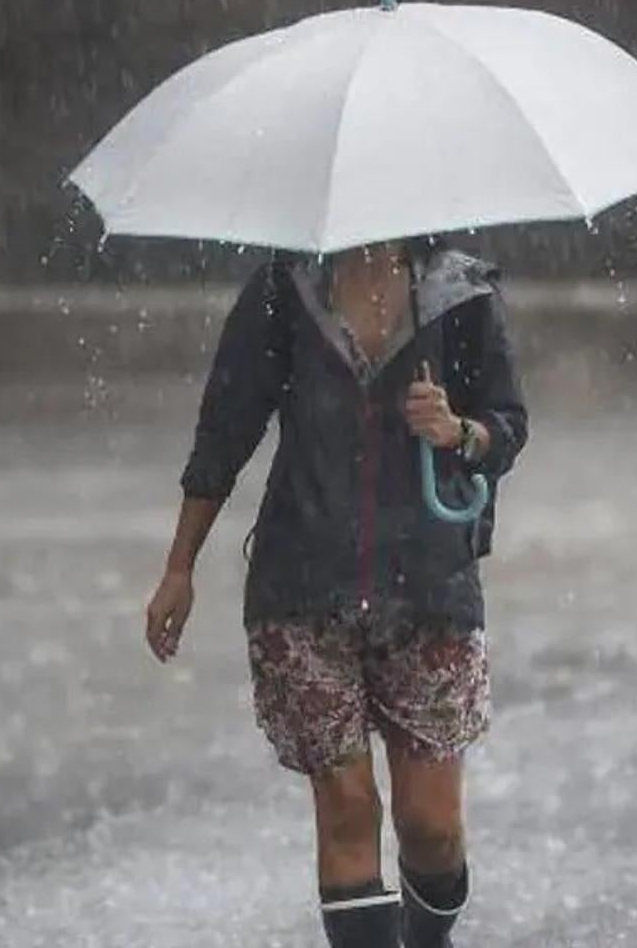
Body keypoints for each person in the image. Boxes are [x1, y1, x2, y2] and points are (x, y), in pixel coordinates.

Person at [144, 239, 528, 947]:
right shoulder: (282, 293)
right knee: (348, 808)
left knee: (431, 829)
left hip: (430, 589)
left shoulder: (462, 294)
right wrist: (180, 565)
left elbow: (507, 425)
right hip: (302, 587)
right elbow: (224, 431)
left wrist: (458, 430)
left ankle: (428, 936)